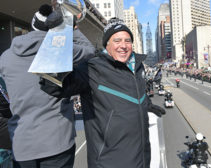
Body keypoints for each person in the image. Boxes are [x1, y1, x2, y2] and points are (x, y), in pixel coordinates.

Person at [40, 17, 166, 168]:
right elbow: (52, 86)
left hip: (142, 159)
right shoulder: (92, 68)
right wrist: (57, 35)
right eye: (117, 40)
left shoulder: (137, 66)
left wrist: (147, 104)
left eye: (127, 40)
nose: (123, 46)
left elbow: (135, 93)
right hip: (108, 162)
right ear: (107, 44)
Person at [0, 4, 95, 168]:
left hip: (22, 145)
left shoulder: (6, 57)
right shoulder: (61, 50)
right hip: (57, 142)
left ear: (33, 25)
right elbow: (89, 50)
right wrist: (71, 27)